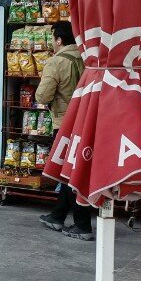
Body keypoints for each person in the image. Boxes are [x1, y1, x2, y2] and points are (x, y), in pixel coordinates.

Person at [36, 21, 95, 241]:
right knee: (70, 171)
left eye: (53, 38)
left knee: (69, 174)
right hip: (86, 123)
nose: (52, 42)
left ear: (59, 40)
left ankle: (82, 224)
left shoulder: (56, 62)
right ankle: (58, 215)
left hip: (65, 125)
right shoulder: (87, 59)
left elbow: (42, 96)